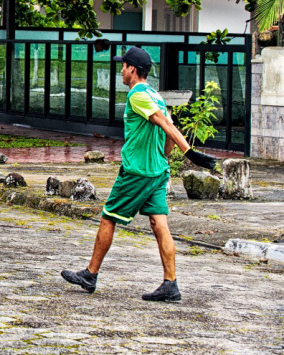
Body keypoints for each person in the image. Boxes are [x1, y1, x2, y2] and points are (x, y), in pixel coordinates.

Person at [60, 46, 216, 302]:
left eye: (123, 66)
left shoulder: (137, 95)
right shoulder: (156, 95)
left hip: (137, 172)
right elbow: (169, 128)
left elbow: (164, 124)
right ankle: (170, 283)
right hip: (158, 171)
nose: (121, 71)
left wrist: (190, 153)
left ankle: (90, 274)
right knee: (159, 223)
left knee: (108, 218)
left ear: (132, 69)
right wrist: (164, 156)